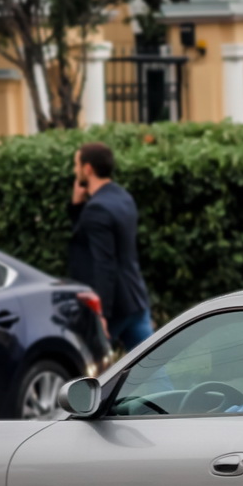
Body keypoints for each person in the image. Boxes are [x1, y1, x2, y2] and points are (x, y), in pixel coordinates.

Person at [69, 142, 152, 350]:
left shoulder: (96, 209)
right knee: (152, 371)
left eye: (76, 165)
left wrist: (102, 313)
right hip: (135, 300)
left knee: (91, 371)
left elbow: (104, 264)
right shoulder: (124, 198)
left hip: (113, 307)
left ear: (88, 169)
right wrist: (77, 206)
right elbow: (89, 238)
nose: (74, 170)